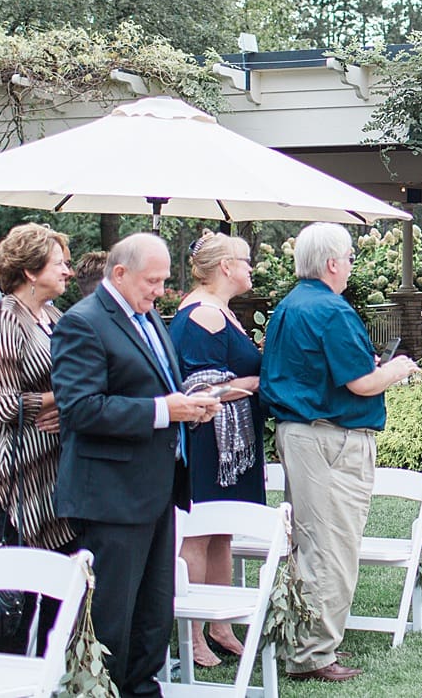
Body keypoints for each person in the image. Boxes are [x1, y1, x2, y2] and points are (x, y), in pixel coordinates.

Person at [52, 233, 219, 697]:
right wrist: (166, 411)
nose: (161, 290)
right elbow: (81, 408)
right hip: (111, 494)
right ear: (119, 273)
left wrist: (192, 404)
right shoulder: (82, 322)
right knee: (113, 618)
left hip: (155, 488)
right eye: (153, 280)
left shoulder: (147, 317)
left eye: (165, 280)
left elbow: (160, 385)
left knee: (152, 615)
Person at [261, 223, 418, 683]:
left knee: (308, 543)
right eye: (349, 257)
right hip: (332, 438)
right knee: (331, 547)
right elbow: (362, 383)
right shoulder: (332, 309)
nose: (352, 264)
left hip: (298, 433)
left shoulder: (289, 306)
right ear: (332, 262)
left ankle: (300, 639)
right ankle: (313, 654)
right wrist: (399, 368)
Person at [0, 224, 78, 653]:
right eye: (59, 264)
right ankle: (8, 677)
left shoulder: (54, 317)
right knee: (18, 592)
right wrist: (67, 397)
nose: (68, 271)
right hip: (12, 474)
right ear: (31, 271)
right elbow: (0, 404)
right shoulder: (2, 320)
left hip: (53, 469)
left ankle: (47, 674)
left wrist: (68, 406)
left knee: (58, 582)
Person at [168, 231, 265, 667]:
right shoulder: (203, 314)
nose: (251, 268)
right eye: (245, 261)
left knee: (224, 530)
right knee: (201, 530)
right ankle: (193, 631)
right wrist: (252, 384)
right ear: (225, 267)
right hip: (211, 437)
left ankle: (221, 626)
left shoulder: (221, 311)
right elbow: (199, 386)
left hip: (234, 440)